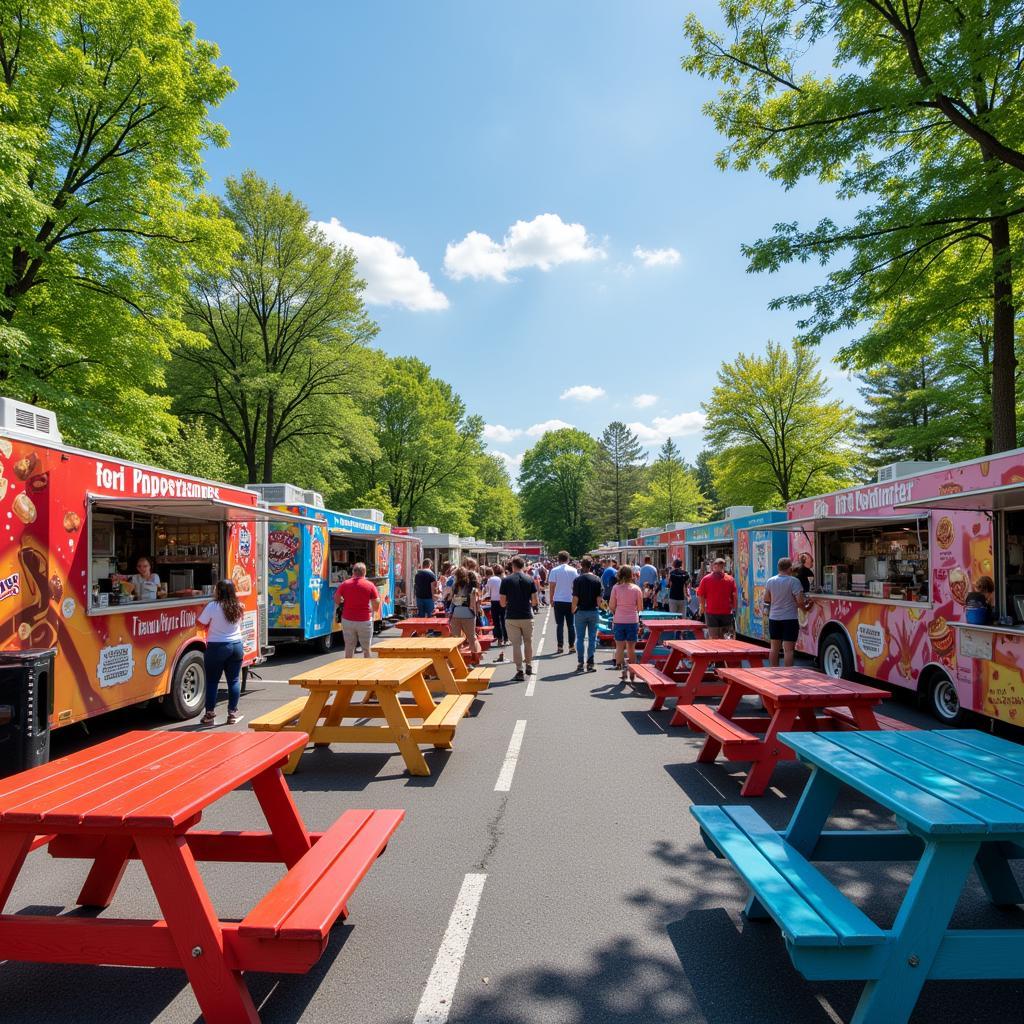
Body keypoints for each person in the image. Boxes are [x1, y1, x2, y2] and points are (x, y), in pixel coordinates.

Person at [199, 579, 245, 726]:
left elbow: (200, 623)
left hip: (216, 647)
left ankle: (209, 715)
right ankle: (232, 714)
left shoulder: (213, 606)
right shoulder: (238, 606)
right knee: (234, 681)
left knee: (212, 682)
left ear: (219, 591)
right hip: (236, 646)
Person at [764, 557, 811, 667]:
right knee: (788, 650)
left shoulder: (770, 581)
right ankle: (787, 674)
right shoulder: (794, 581)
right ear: (790, 568)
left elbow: (767, 599)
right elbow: (800, 602)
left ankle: (773, 672)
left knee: (774, 649)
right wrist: (807, 607)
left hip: (774, 618)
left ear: (778, 568)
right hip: (790, 619)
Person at [500, 556, 538, 681]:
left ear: (513, 566)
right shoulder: (529, 579)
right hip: (527, 614)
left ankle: (519, 670)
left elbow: (502, 603)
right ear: (523, 566)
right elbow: (535, 600)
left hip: (512, 616)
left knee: (516, 644)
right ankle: (529, 665)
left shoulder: (506, 581)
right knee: (528, 642)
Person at [334, 562, 381, 657]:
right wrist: (372, 610)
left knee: (349, 648)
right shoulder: (370, 585)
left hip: (348, 620)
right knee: (366, 649)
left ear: (353, 572)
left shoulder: (345, 584)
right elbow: (376, 602)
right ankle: (366, 670)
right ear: (364, 572)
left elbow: (337, 599)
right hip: (364, 620)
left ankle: (349, 670)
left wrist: (343, 602)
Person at [608, 565, 644, 682]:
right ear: (631, 575)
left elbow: (611, 606)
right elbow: (640, 607)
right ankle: (632, 669)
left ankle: (621, 667)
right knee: (631, 647)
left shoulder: (615, 588)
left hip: (619, 620)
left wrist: (616, 611)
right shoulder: (636, 589)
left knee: (619, 646)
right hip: (632, 620)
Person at [572, 556, 603, 672]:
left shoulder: (578, 580)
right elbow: (599, 600)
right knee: (592, 638)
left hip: (580, 611)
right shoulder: (597, 579)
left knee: (579, 638)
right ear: (590, 566)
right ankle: (590, 662)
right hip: (593, 611)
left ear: (582, 566)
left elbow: (575, 597)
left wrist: (573, 609)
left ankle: (580, 662)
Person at [697, 557, 737, 638]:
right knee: (725, 637)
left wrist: (702, 606)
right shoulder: (730, 579)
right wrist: (734, 607)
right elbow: (734, 596)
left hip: (712, 612)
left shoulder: (706, 579)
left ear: (713, 567)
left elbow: (700, 594)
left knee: (713, 637)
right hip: (726, 612)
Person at [548, 550, 578, 654]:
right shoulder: (574, 570)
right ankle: (571, 646)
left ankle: (560, 646)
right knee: (571, 625)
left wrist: (551, 599)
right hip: (570, 600)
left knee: (559, 624)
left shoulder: (554, 570)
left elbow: (552, 586)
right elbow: (575, 587)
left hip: (559, 600)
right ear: (568, 559)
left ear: (558, 559)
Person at [448, 566, 481, 657]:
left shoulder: (455, 586)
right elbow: (475, 601)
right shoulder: (471, 587)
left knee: (456, 639)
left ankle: (457, 660)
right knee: (472, 638)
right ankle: (476, 658)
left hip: (456, 613)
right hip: (468, 614)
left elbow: (452, 600)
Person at [486, 565, 507, 648]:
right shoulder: (504, 578)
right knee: (504, 619)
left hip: (494, 601)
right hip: (503, 600)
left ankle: (499, 639)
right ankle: (506, 638)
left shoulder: (491, 579)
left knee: (496, 620)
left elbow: (487, 590)